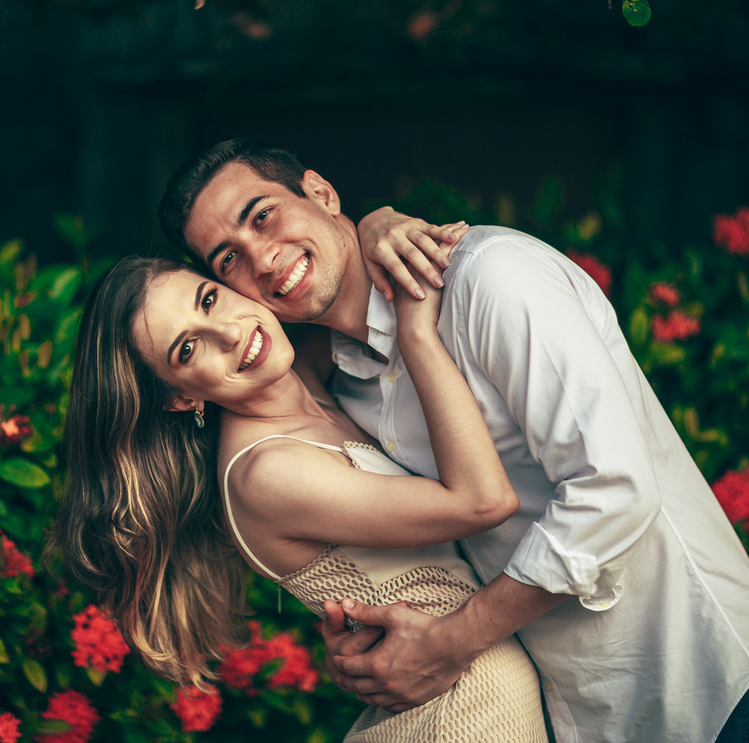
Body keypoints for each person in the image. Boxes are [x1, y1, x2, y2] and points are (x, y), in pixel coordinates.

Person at [157, 138, 749, 743]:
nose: (262, 257)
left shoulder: (491, 280)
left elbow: (616, 488)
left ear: (322, 192)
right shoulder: (344, 376)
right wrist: (365, 642)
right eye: (229, 260)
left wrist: (452, 640)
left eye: (264, 216)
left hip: (700, 681)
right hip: (579, 714)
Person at [55, 255, 550, 742]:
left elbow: (339, 287)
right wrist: (415, 332)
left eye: (209, 300)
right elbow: (483, 501)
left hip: (471, 686)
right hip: (463, 710)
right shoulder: (267, 472)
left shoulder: (301, 375)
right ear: (179, 398)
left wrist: (375, 227)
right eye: (187, 350)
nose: (229, 334)